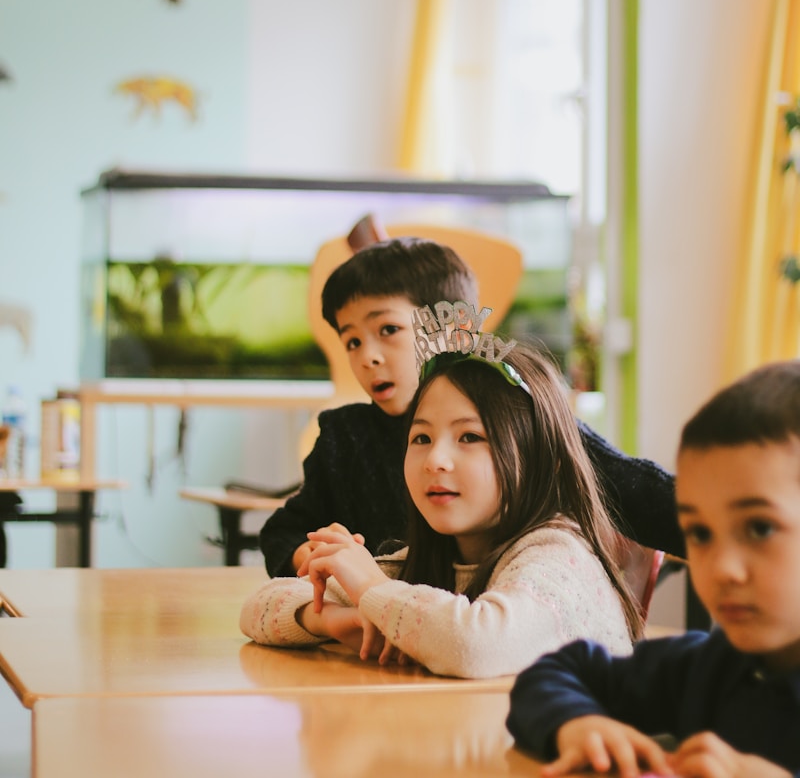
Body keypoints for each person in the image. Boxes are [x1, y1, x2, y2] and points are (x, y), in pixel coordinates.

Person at [259, 237, 683, 578]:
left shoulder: (518, 417)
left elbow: (644, 495)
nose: (366, 356)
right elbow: (283, 531)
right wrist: (317, 556)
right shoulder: (344, 437)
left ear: (456, 333)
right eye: (352, 340)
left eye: (388, 329)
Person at [241, 334, 641, 678]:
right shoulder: (431, 560)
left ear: (542, 459)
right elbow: (258, 609)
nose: (436, 460)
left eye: (469, 437)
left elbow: (476, 644)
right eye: (421, 438)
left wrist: (371, 587)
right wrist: (333, 618)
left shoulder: (557, 558)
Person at [506, 360, 800, 778]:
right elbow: (557, 672)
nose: (722, 568)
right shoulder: (713, 667)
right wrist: (579, 724)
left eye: (759, 528)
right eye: (700, 533)